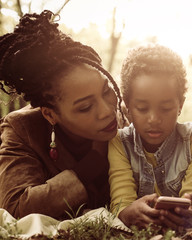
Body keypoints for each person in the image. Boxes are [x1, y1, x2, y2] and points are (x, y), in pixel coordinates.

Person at [0, 10, 127, 219]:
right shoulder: (21, 129)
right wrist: (93, 162)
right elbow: (15, 208)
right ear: (50, 115)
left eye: (107, 91)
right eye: (85, 107)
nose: (107, 111)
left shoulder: (128, 116)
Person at [108, 44, 192, 230]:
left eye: (165, 108)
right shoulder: (119, 143)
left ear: (180, 104)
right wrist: (128, 213)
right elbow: (121, 204)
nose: (154, 120)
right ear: (127, 106)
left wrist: (189, 213)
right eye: (142, 108)